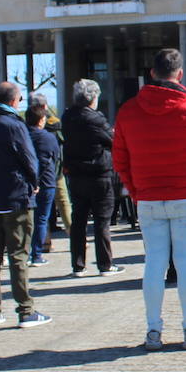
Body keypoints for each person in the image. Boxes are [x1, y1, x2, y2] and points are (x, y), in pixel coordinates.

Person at [114, 48, 186, 350]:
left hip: (148, 197)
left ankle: (153, 330)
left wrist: (136, 191)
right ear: (180, 74)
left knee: (154, 262)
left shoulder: (128, 111)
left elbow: (120, 159)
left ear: (152, 73)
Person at [0, 82, 51, 329]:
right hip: (16, 197)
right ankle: (26, 310)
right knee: (18, 254)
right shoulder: (14, 125)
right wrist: (34, 182)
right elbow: (29, 159)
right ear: (12, 101)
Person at [61, 78, 120, 277]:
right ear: (93, 97)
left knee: (79, 220)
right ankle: (105, 264)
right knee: (102, 221)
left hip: (77, 175)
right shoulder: (95, 118)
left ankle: (78, 265)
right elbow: (112, 140)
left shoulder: (68, 117)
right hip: (99, 173)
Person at [26, 103, 61, 266]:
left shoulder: (23, 136)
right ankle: (37, 254)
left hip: (26, 182)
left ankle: (25, 252)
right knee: (42, 218)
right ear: (41, 120)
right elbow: (55, 156)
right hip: (46, 181)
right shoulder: (48, 137)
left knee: (27, 220)